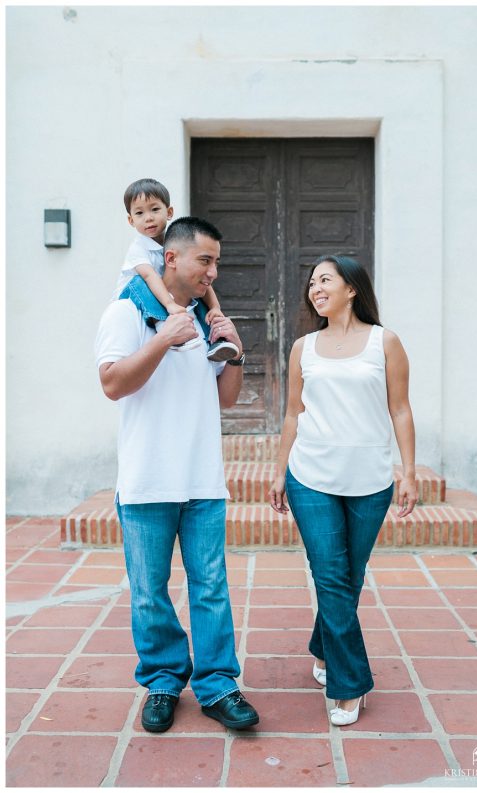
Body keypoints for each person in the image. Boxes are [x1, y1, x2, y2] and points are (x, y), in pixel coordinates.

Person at [95, 216, 259, 732]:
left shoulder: (201, 317)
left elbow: (226, 400)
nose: (213, 272)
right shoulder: (128, 310)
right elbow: (112, 383)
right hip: (146, 482)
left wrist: (234, 352)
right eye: (205, 260)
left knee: (211, 586)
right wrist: (164, 338)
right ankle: (163, 680)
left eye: (216, 262)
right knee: (149, 589)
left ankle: (217, 686)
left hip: (203, 481)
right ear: (171, 258)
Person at [269, 254, 417, 726]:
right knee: (330, 575)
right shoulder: (303, 348)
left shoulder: (384, 343)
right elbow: (293, 413)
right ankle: (350, 685)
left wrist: (408, 472)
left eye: (325, 280)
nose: (315, 288)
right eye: (311, 282)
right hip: (311, 474)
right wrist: (278, 472)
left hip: (370, 479)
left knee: (349, 575)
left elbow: (400, 409)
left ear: (351, 288)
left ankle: (323, 645)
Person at [114, 178, 239, 361]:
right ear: (131, 220)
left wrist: (215, 308)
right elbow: (150, 277)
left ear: (169, 212)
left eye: (155, 209)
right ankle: (165, 329)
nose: (148, 218)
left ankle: (216, 342)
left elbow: (203, 278)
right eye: (139, 213)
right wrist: (170, 305)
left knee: (198, 292)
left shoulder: (176, 242)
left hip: (161, 292)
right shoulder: (138, 248)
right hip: (136, 292)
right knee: (142, 284)